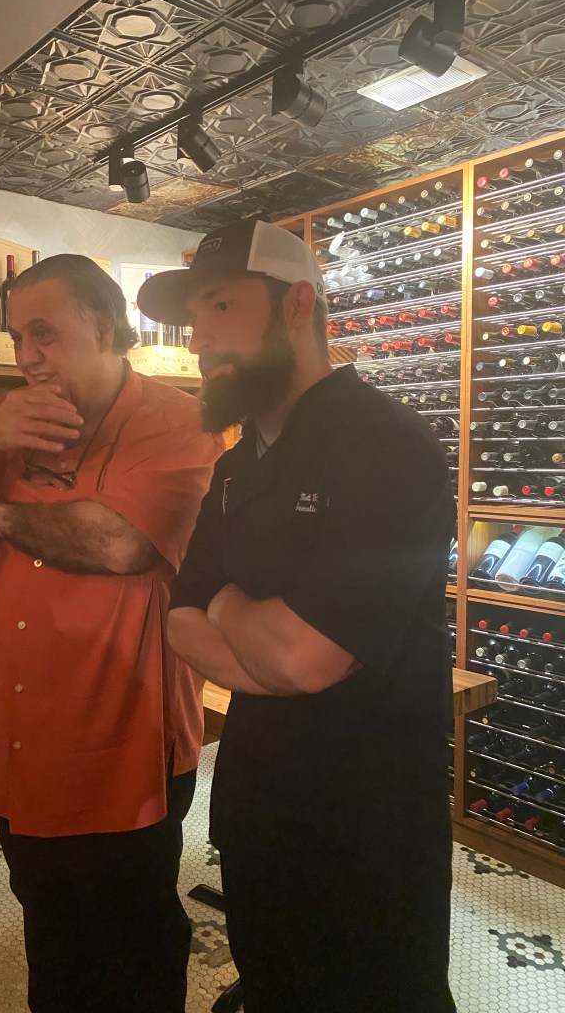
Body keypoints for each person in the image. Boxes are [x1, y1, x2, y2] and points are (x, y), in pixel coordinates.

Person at [137, 219, 457, 1013]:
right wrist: (254, 633)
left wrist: (226, 602)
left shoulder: (390, 445)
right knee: (273, 981)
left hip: (369, 821)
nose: (199, 338)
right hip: (259, 805)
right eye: (193, 316)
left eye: (221, 305)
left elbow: (305, 658)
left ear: (297, 305)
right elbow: (178, 619)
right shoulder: (236, 465)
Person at [0, 254, 223, 1013]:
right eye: (19, 337)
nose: (28, 355)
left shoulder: (177, 421)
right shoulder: (10, 424)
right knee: (46, 910)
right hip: (13, 723)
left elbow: (116, 543)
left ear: (107, 328)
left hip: (118, 732)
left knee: (130, 928)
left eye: (44, 332)